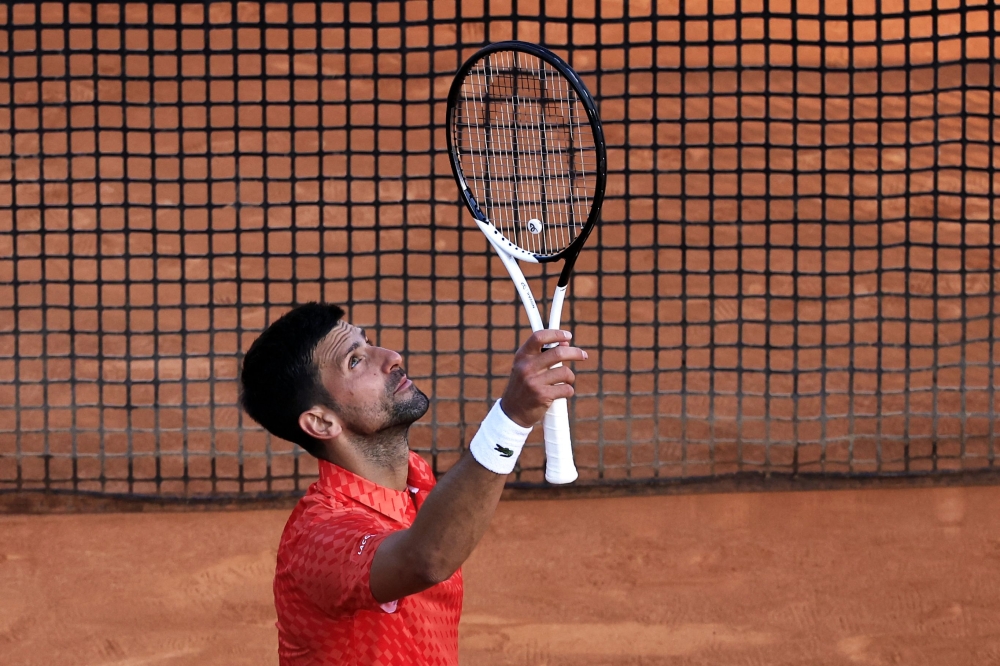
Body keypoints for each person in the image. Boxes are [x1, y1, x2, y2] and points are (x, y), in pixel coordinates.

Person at [239, 302, 587, 665]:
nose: (391, 356)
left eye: (369, 342)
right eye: (355, 361)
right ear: (322, 423)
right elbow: (425, 559)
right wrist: (511, 420)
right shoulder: (317, 539)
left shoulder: (414, 477)